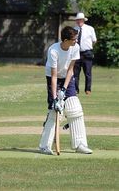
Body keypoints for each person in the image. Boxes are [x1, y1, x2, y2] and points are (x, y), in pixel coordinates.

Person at [39, 26, 92, 155]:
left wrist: (64, 89)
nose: (76, 41)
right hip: (53, 77)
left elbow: (70, 70)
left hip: (67, 77)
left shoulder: (76, 47)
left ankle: (80, 144)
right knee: (54, 110)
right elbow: (54, 76)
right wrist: (55, 97)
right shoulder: (54, 50)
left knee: (75, 108)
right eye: (74, 39)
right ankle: (45, 146)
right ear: (66, 39)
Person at [73, 12, 97, 95]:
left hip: (87, 52)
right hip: (76, 53)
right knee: (75, 73)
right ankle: (76, 89)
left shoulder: (90, 29)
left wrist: (88, 47)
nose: (79, 21)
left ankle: (88, 90)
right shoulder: (74, 29)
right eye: (78, 20)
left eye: (80, 20)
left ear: (83, 20)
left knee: (88, 73)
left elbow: (94, 40)